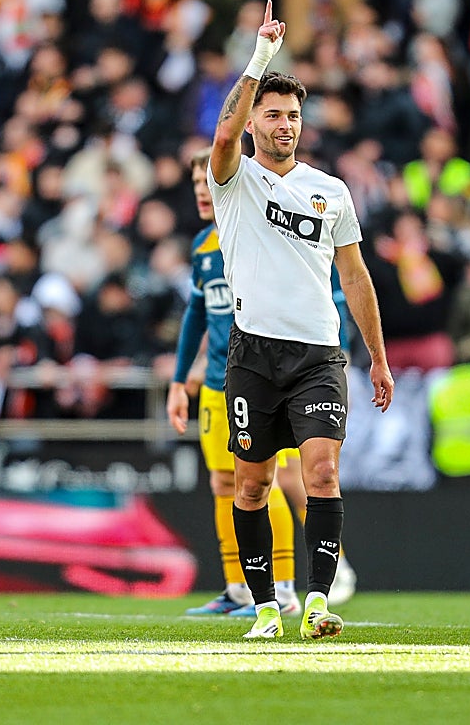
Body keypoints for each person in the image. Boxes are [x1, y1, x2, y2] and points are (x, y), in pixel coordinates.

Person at [207, 2, 393, 640]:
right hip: (254, 354)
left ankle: (317, 601)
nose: (285, 124)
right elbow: (223, 135)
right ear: (255, 118)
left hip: (318, 353)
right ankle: (264, 607)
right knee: (252, 483)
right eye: (274, 114)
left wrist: (379, 356)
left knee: (321, 472)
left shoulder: (331, 191)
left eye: (293, 115)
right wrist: (260, 57)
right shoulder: (234, 181)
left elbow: (356, 277)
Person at [165, 147, 299, 618]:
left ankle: (281, 591)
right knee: (223, 482)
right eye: (197, 185)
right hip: (216, 386)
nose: (203, 192)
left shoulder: (260, 232)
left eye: (209, 182)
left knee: (264, 481)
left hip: (260, 379)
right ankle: (238, 588)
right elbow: (195, 316)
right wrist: (179, 380)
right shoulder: (204, 246)